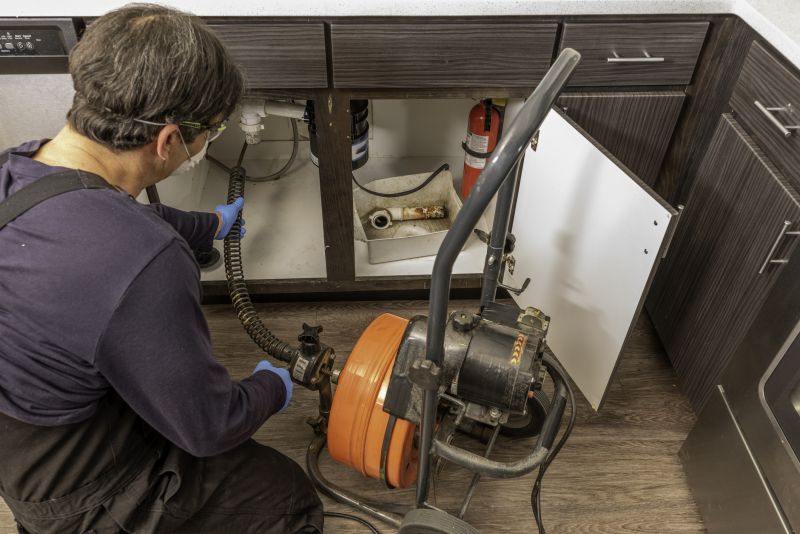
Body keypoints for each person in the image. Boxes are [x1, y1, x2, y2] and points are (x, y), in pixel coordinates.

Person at [0, 4, 323, 533]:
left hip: (26, 437)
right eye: (208, 135)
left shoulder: (18, 168)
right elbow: (209, 426)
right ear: (169, 140)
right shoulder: (146, 263)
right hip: (79, 495)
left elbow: (101, 211)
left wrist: (208, 225)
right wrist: (272, 386)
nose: (204, 145)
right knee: (287, 501)